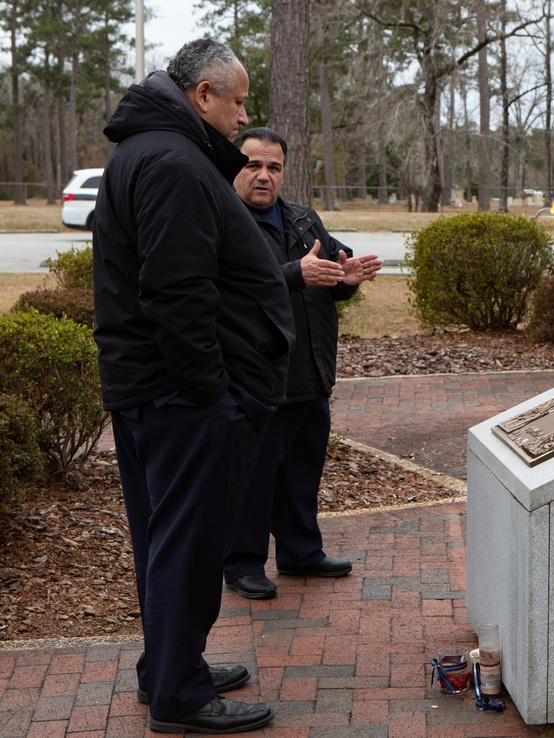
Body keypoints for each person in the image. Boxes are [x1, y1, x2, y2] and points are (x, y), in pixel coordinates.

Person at [92, 41, 294, 734]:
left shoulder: (147, 153)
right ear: (203, 95)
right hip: (181, 399)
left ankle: (167, 667)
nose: (243, 117)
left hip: (154, 391)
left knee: (164, 537)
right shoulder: (173, 163)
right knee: (187, 543)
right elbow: (175, 292)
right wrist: (211, 392)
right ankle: (178, 692)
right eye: (237, 101)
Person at [224, 127, 382, 600]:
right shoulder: (225, 222)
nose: (263, 175)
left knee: (301, 471)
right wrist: (297, 273)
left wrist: (346, 278)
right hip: (257, 377)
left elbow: (327, 274)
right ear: (234, 166)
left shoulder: (301, 220)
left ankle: (300, 553)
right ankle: (243, 563)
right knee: (253, 478)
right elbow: (233, 288)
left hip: (310, 372)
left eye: (273, 167)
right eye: (252, 164)